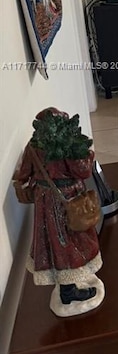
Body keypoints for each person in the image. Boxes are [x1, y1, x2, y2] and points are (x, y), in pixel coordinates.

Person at [13, 108, 104, 317]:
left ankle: (68, 283)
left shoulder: (34, 147)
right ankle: (68, 291)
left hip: (44, 200)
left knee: (54, 242)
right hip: (67, 199)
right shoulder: (67, 147)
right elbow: (83, 170)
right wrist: (87, 151)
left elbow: (24, 173)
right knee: (69, 241)